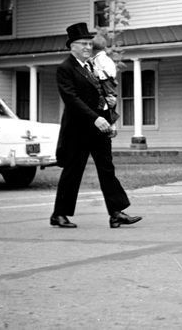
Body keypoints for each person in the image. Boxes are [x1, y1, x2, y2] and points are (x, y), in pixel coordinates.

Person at [51, 23, 142, 229]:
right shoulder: (65, 68)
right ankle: (59, 214)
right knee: (73, 171)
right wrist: (95, 117)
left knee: (106, 168)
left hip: (99, 127)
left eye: (89, 43)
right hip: (78, 129)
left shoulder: (92, 66)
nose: (87, 47)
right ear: (71, 46)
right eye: (83, 43)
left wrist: (109, 101)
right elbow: (72, 99)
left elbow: (98, 92)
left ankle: (116, 213)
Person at [90, 34, 119, 126]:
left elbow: (108, 73)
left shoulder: (101, 59)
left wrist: (97, 73)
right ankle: (110, 122)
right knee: (108, 103)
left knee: (108, 102)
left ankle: (111, 123)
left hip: (106, 83)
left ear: (94, 49)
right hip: (106, 83)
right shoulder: (103, 58)